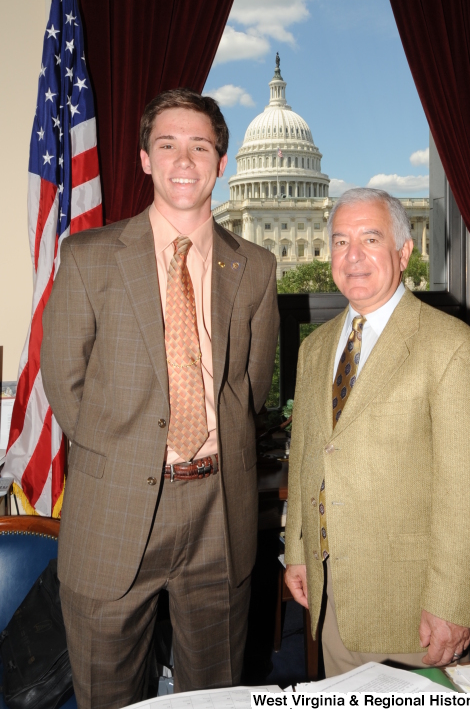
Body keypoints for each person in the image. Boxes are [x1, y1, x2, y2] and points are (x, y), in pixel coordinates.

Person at [41, 89, 279, 708]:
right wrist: (128, 453)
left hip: (218, 513)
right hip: (114, 511)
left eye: (199, 146)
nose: (183, 159)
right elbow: (65, 384)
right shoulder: (89, 257)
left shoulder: (255, 266)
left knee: (215, 695)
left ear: (220, 163)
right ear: (145, 158)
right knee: (108, 694)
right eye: (167, 144)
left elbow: (249, 389)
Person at [284, 187, 470, 675]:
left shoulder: (454, 348)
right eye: (340, 241)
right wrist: (297, 551)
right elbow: (305, 458)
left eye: (370, 239)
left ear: (404, 253)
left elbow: (468, 490)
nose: (353, 256)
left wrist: (452, 601)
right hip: (332, 592)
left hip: (414, 606)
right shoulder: (315, 348)